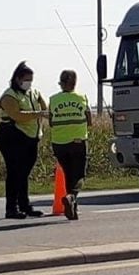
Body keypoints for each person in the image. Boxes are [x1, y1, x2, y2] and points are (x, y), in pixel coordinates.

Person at [0, 61, 49, 219]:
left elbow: (43, 106)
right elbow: (17, 115)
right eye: (26, 79)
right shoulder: (9, 95)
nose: (29, 83)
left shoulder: (33, 93)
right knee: (14, 172)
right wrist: (38, 113)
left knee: (24, 172)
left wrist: (42, 110)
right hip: (12, 136)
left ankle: (25, 205)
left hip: (31, 137)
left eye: (31, 80)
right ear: (18, 79)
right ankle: (11, 208)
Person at [49, 70, 92, 220]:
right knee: (79, 174)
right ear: (74, 83)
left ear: (61, 83)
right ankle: (71, 197)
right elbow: (89, 120)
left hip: (59, 142)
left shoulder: (53, 99)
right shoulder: (82, 98)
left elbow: (50, 121)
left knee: (67, 174)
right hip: (78, 141)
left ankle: (73, 208)